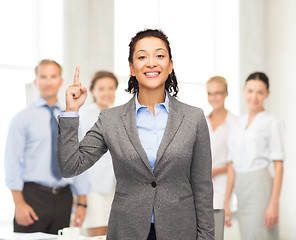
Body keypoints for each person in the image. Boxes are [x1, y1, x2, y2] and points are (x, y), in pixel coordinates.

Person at [58, 29, 215, 239]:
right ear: (132, 68)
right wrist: (71, 112)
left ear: (170, 65)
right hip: (127, 230)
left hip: (179, 230)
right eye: (142, 57)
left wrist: (206, 237)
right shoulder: (110, 119)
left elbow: (202, 186)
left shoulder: (194, 118)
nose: (151, 63)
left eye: (159, 55)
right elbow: (70, 166)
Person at [4, 59, 89, 234]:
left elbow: (78, 158)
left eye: (53, 76)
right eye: (43, 76)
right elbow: (11, 161)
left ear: (60, 81)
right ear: (36, 81)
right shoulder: (22, 118)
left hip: (64, 198)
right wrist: (18, 204)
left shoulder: (70, 117)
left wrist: (82, 201)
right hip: (33, 198)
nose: (48, 82)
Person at [224, 72, 284, 240]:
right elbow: (232, 165)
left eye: (260, 92)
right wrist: (227, 201)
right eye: (250, 91)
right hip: (241, 188)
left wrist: (274, 204)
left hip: (261, 187)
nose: (254, 97)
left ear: (267, 94)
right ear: (244, 91)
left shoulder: (272, 122)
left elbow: (278, 165)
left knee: (262, 235)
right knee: (247, 235)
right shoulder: (236, 124)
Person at [78, 71, 118, 236]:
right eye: (101, 88)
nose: (107, 93)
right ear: (93, 91)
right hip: (94, 188)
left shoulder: (118, 115)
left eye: (111, 88)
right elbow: (78, 157)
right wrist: (81, 197)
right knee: (98, 234)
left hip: (118, 187)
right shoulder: (84, 116)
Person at [206, 76, 235, 209]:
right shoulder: (202, 121)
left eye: (217, 93)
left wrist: (214, 171)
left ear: (226, 94)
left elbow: (234, 162)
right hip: (202, 184)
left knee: (217, 226)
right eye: (210, 93)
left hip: (223, 184)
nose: (213, 98)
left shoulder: (235, 124)